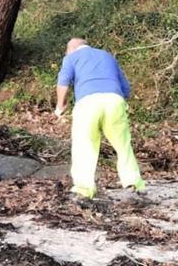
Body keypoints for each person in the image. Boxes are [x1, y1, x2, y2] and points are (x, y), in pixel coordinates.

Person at [55, 38, 145, 200]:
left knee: (85, 145)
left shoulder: (71, 57)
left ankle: (84, 189)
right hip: (114, 100)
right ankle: (133, 183)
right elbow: (125, 87)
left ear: (71, 49)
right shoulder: (107, 56)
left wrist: (60, 106)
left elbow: (63, 82)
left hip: (87, 103)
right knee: (123, 144)